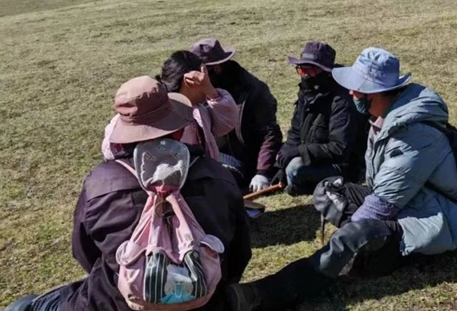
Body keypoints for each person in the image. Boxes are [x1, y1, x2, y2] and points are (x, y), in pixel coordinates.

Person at [0, 77, 251, 311]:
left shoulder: (102, 183)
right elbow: (238, 254)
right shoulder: (218, 175)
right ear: (180, 128)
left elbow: (85, 255)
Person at [224, 47, 457, 311]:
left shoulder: (413, 136)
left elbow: (381, 203)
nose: (351, 93)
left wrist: (353, 234)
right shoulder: (384, 115)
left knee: (350, 237)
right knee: (327, 189)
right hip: (405, 199)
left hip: (430, 217)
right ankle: (372, 248)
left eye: (357, 88)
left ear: (375, 93)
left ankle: (264, 295)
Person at [101, 51, 239, 162]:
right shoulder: (149, 115)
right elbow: (112, 149)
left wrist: (212, 93)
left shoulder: (198, 109)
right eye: (205, 77)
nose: (208, 82)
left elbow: (226, 125)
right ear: (190, 81)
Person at [271, 41, 367, 196]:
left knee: (295, 168)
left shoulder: (342, 100)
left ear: (327, 72)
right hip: (314, 155)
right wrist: (280, 165)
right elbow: (295, 132)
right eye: (302, 70)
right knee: (283, 158)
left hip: (341, 165)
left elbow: (339, 149)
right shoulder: (306, 92)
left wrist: (298, 152)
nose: (306, 75)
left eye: (312, 70)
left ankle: (307, 185)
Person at [190, 38, 283, 192]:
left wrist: (262, 172)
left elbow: (269, 133)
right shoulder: (197, 90)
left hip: (241, 156)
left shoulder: (254, 91)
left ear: (216, 68)